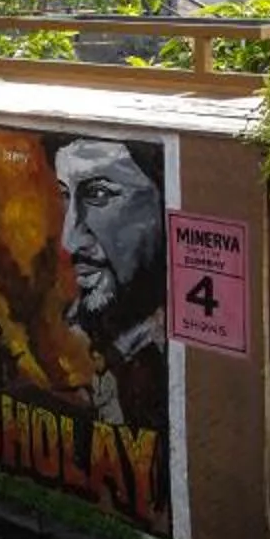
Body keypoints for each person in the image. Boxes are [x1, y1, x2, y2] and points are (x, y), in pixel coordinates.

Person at [53, 136, 167, 429]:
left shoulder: (173, 353)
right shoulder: (69, 329)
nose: (71, 239)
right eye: (64, 194)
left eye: (100, 195)